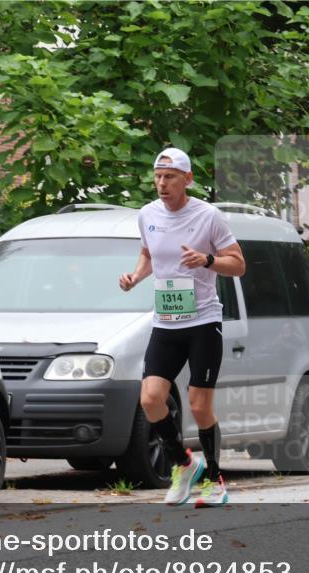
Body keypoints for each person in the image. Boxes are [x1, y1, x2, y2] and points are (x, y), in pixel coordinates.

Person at [119, 147, 246, 507]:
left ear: (187, 179)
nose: (162, 183)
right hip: (166, 322)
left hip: (204, 321)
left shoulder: (209, 217)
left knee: (199, 405)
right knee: (151, 398)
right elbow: (148, 254)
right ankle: (183, 462)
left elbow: (238, 265)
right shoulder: (147, 215)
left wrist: (207, 260)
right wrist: (135, 277)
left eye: (170, 177)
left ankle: (215, 479)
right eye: (158, 177)